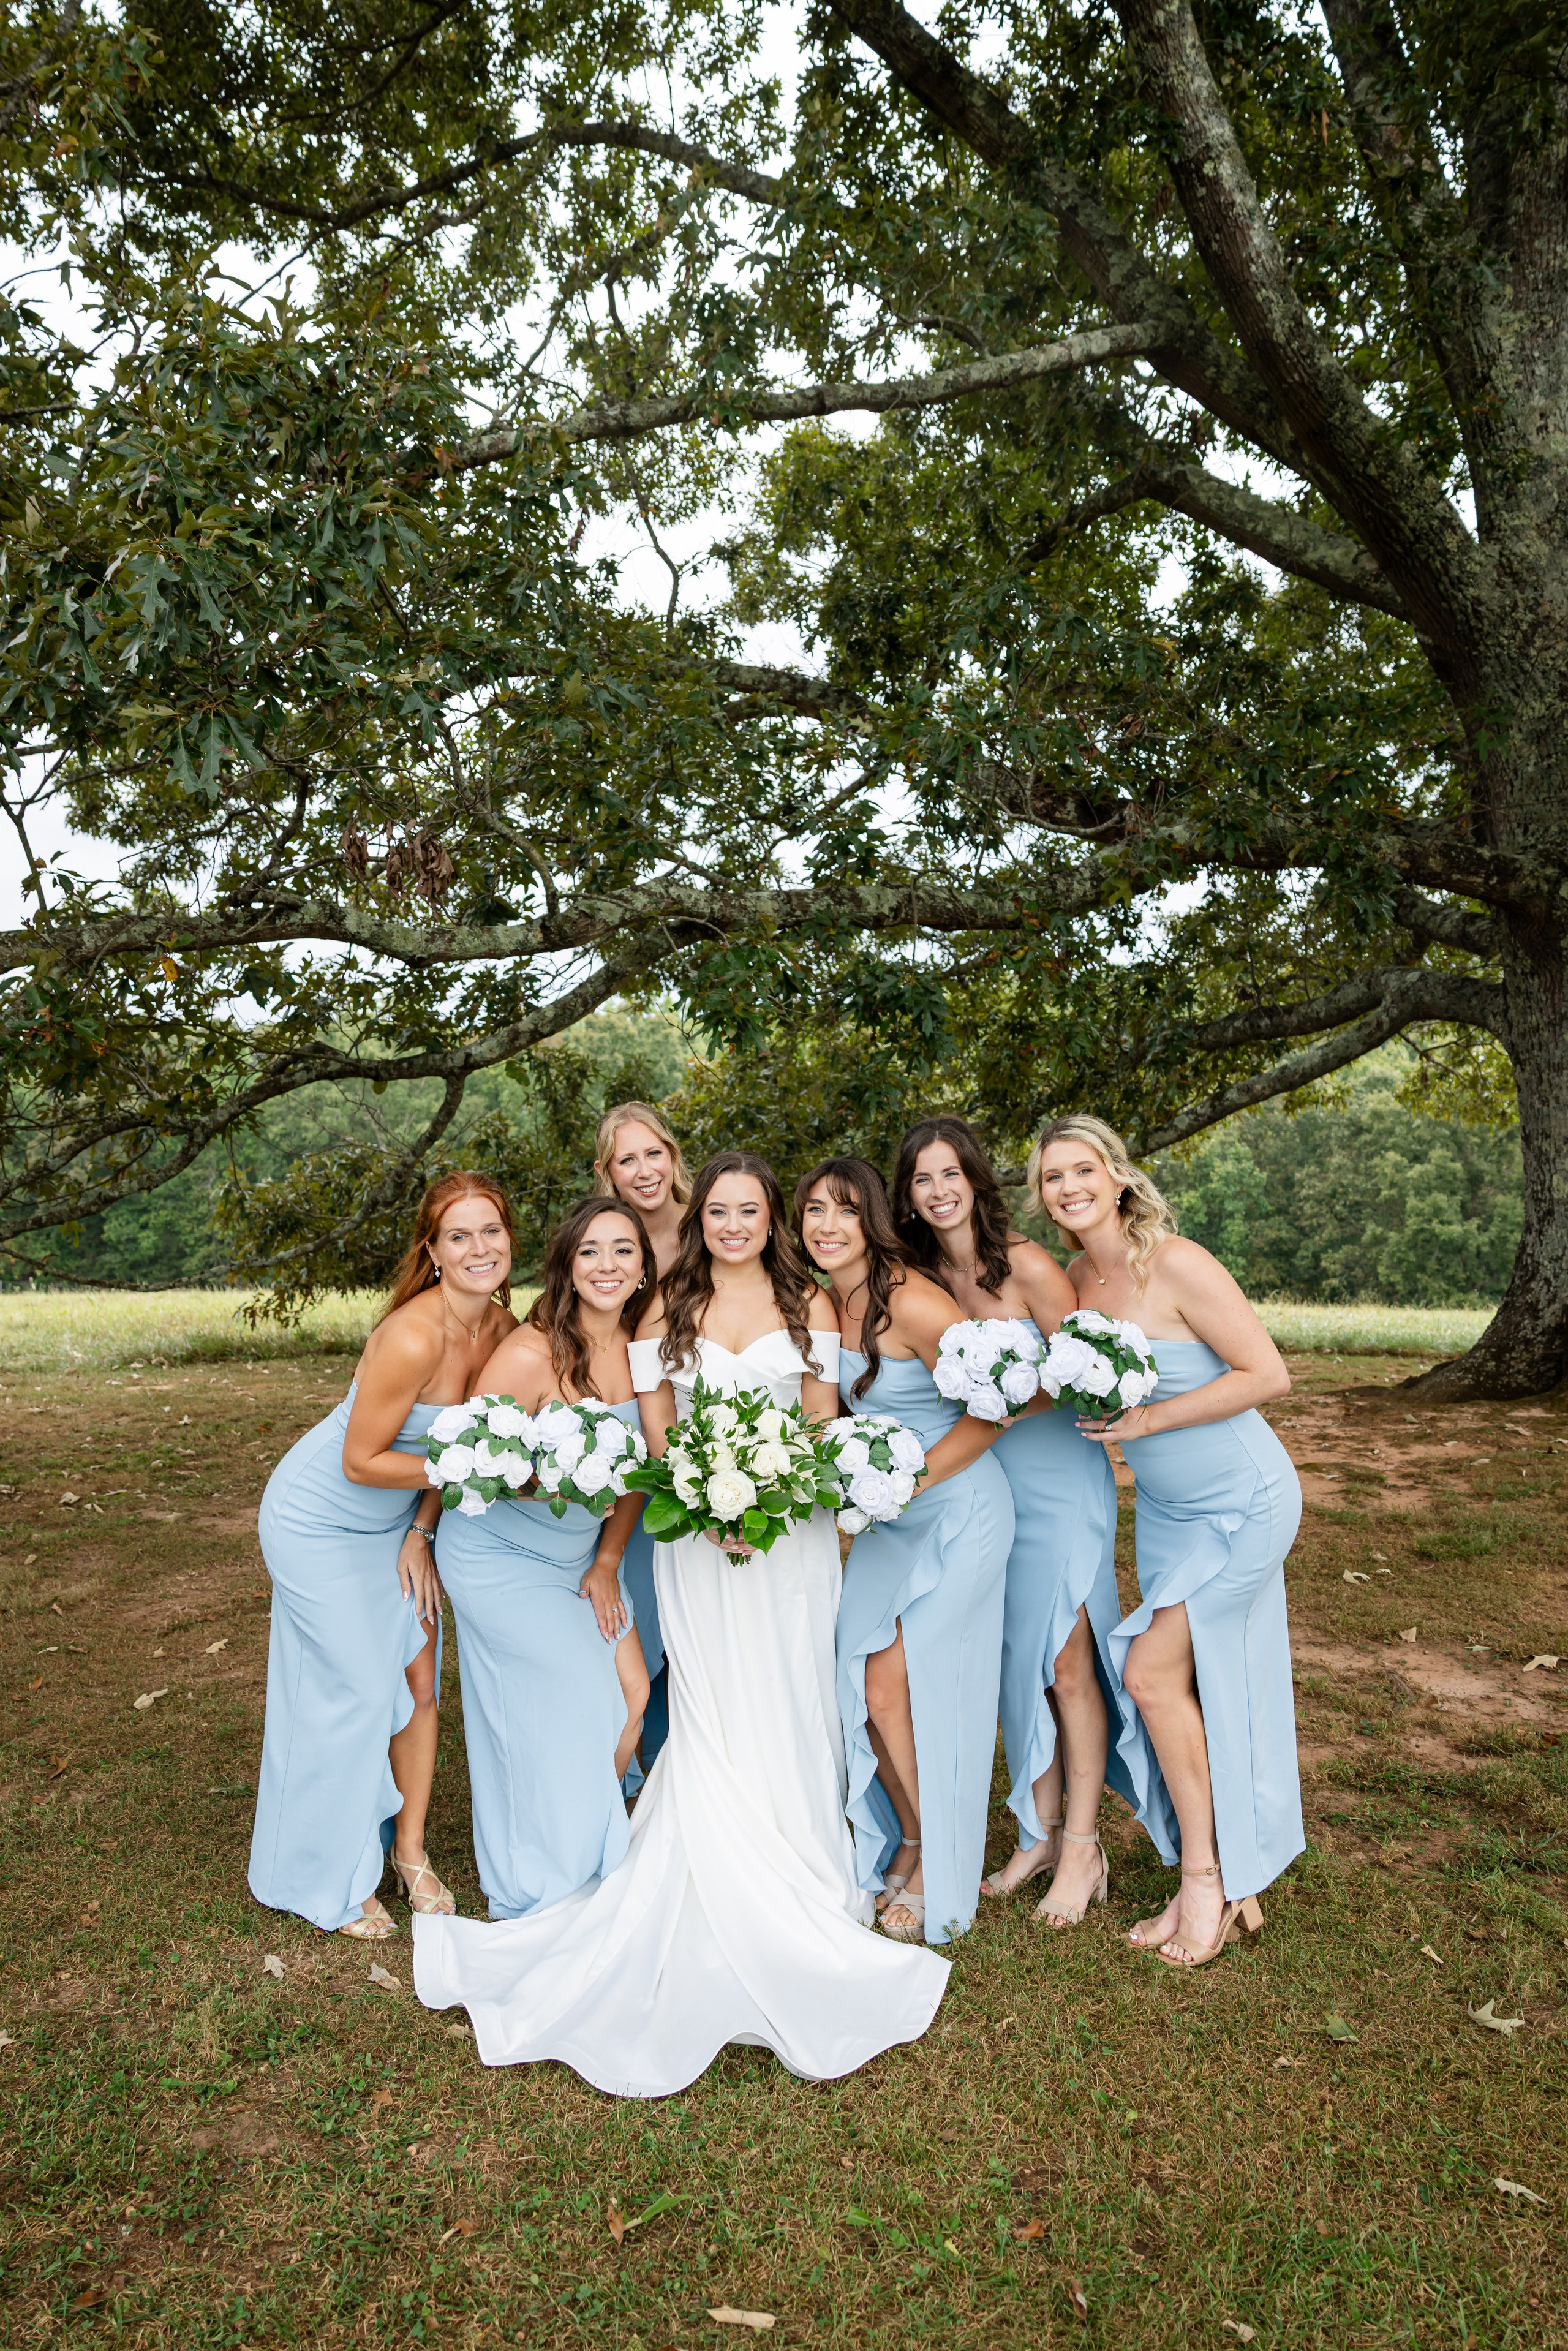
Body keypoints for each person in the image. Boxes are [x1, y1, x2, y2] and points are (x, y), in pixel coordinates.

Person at [411, 1151, 948, 2097]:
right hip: (698, 1542)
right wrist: (708, 1501)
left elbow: (820, 1422)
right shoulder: (667, 1312)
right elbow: (652, 1435)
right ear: (699, 1219)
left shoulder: (808, 1306)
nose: (733, 1224)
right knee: (709, 1701)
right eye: (719, 1211)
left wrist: (774, 1500)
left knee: (788, 1693)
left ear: (771, 1218)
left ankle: (803, 1866)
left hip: (792, 1541)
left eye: (750, 1210)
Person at [1031, 1114, 1303, 1968]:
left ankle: (1206, 1880)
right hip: (1166, 1511)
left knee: (1149, 1674)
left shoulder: (1176, 1262)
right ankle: (1229, 1874)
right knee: (1198, 1686)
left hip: (1243, 1498)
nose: (1069, 1187)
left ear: (1118, 1176)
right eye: (1051, 1178)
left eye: (1083, 1169)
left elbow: (1269, 1374)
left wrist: (1148, 1416)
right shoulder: (1076, 1276)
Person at [892, 1117, 1159, 1928]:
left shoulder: (1031, 1265)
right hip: (986, 1481)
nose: (939, 1191)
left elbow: (1082, 1367)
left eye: (951, 1174)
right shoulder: (923, 1278)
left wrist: (1006, 1394)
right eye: (921, 1180)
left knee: (1070, 1664)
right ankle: (1036, 1833)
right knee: (1022, 1665)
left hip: (1057, 1478)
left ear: (976, 1178)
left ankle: (1083, 1843)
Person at [249, 1175, 516, 1938]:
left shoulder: (501, 1331)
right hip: (319, 1522)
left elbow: (468, 1447)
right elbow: (361, 1460)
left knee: (420, 1682)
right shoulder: (411, 1334)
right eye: (458, 1236)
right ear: (432, 1252)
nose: (477, 1249)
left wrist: (423, 1531)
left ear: (508, 1241)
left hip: (400, 1524)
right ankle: (328, 1874)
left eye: (490, 1232)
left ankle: (409, 1851)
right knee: (358, 1690)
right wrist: (468, 1476)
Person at [797, 1157, 1014, 1947]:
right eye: (813, 1210)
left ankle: (935, 1861)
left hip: (957, 1508)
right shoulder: (824, 1300)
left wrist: (907, 1482)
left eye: (843, 1211)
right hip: (885, 1515)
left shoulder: (915, 1302)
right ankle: (916, 1835)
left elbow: (991, 1413)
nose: (825, 1226)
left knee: (902, 1682)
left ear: (873, 1220)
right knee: (858, 1671)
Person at [433, 1199, 653, 1918]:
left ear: (644, 1266)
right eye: (590, 1251)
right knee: (583, 1699)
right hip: (499, 1557)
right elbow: (463, 1461)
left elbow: (638, 1474)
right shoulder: (531, 1354)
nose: (607, 1266)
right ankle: (543, 1875)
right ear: (565, 1266)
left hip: (578, 1562)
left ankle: (589, 1842)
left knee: (633, 1697)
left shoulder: (644, 1353)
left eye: (623, 1251)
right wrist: (548, 1475)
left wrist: (607, 1561)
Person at [592, 1100, 693, 1775]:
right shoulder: (607, 1238)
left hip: (711, 1414)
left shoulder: (715, 1221)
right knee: (640, 1606)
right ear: (608, 1172)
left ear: (673, 1154)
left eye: (652, 1152)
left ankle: (692, 1756)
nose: (644, 1169)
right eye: (626, 1159)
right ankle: (631, 1764)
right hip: (635, 1424)